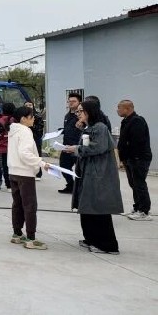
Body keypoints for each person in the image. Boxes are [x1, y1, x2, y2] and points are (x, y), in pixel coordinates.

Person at [65, 99, 124, 254]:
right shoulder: (90, 127)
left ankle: (107, 245)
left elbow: (96, 147)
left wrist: (76, 149)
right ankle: (90, 238)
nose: (78, 114)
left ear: (89, 112)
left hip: (98, 173)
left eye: (81, 111)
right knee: (87, 206)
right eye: (77, 111)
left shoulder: (100, 127)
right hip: (88, 172)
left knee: (98, 207)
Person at [7, 106, 49, 250]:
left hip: (14, 171)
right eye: (31, 116)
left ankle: (17, 234)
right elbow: (25, 153)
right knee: (30, 206)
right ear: (23, 119)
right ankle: (31, 238)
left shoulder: (13, 130)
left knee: (17, 204)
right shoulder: (25, 131)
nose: (34, 119)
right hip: (25, 172)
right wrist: (41, 163)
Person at [116, 100, 151, 221]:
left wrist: (134, 157)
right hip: (129, 159)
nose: (117, 110)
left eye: (119, 108)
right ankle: (137, 208)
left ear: (127, 109)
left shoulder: (137, 121)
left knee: (139, 184)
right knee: (133, 184)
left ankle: (144, 211)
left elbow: (138, 142)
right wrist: (123, 158)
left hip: (138, 158)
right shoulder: (126, 121)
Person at [58, 93, 83, 194]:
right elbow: (70, 129)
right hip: (66, 146)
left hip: (77, 147)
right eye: (69, 101)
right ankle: (71, 185)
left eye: (74, 101)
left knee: (80, 169)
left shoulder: (81, 116)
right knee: (63, 166)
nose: (71, 103)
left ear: (79, 102)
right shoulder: (67, 115)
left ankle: (80, 188)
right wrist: (61, 131)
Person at [0, 103, 15, 192]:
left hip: (4, 147)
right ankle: (15, 184)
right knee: (14, 166)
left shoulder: (0, 120)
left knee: (5, 166)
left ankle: (9, 186)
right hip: (14, 147)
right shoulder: (16, 120)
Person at [25, 101, 45, 179]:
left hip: (36, 139)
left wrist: (31, 124)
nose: (28, 106)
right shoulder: (22, 117)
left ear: (33, 106)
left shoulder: (37, 116)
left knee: (37, 155)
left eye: (30, 105)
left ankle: (38, 173)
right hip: (25, 139)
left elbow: (39, 129)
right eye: (26, 105)